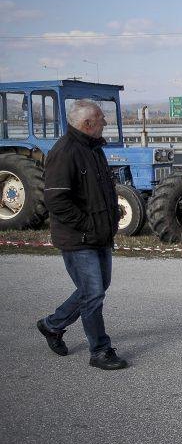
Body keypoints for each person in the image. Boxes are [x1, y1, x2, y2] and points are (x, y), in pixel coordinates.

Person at [36, 99, 128, 370]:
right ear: (88, 124)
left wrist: (112, 213)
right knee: (93, 294)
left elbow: (98, 191)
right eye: (101, 118)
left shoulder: (94, 149)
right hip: (79, 238)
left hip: (99, 234)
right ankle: (100, 350)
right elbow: (57, 201)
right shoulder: (65, 152)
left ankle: (52, 325)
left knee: (96, 289)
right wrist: (88, 224)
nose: (106, 122)